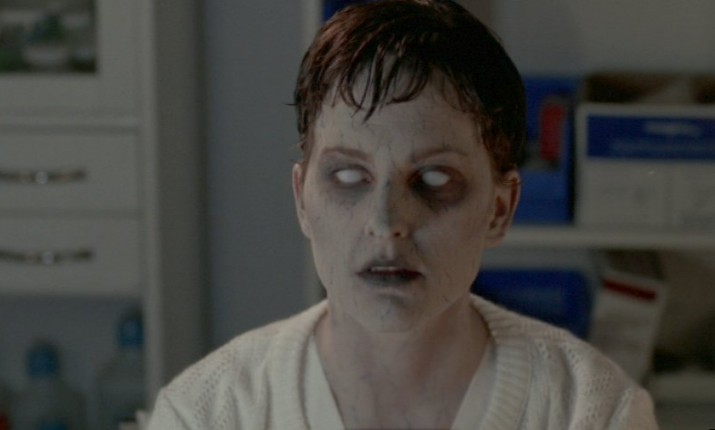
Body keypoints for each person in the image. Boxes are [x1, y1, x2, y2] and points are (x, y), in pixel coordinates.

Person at [147, 1, 659, 428]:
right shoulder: (207, 415)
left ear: (499, 209)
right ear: (302, 199)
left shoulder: (591, 413)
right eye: (349, 177)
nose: (387, 221)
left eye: (435, 180)